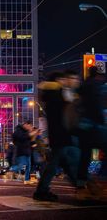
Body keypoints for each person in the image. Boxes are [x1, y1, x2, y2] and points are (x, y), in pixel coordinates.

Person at [33, 71, 80, 201]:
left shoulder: (52, 95)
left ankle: (80, 187)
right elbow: (63, 116)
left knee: (64, 164)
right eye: (64, 79)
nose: (66, 81)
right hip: (61, 135)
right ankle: (41, 191)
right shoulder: (57, 95)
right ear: (58, 80)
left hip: (58, 136)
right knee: (58, 164)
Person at [75, 66, 107, 199]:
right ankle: (102, 180)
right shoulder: (97, 86)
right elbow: (96, 106)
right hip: (95, 125)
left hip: (83, 126)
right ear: (98, 75)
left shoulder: (81, 87)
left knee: (85, 156)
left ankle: (80, 187)